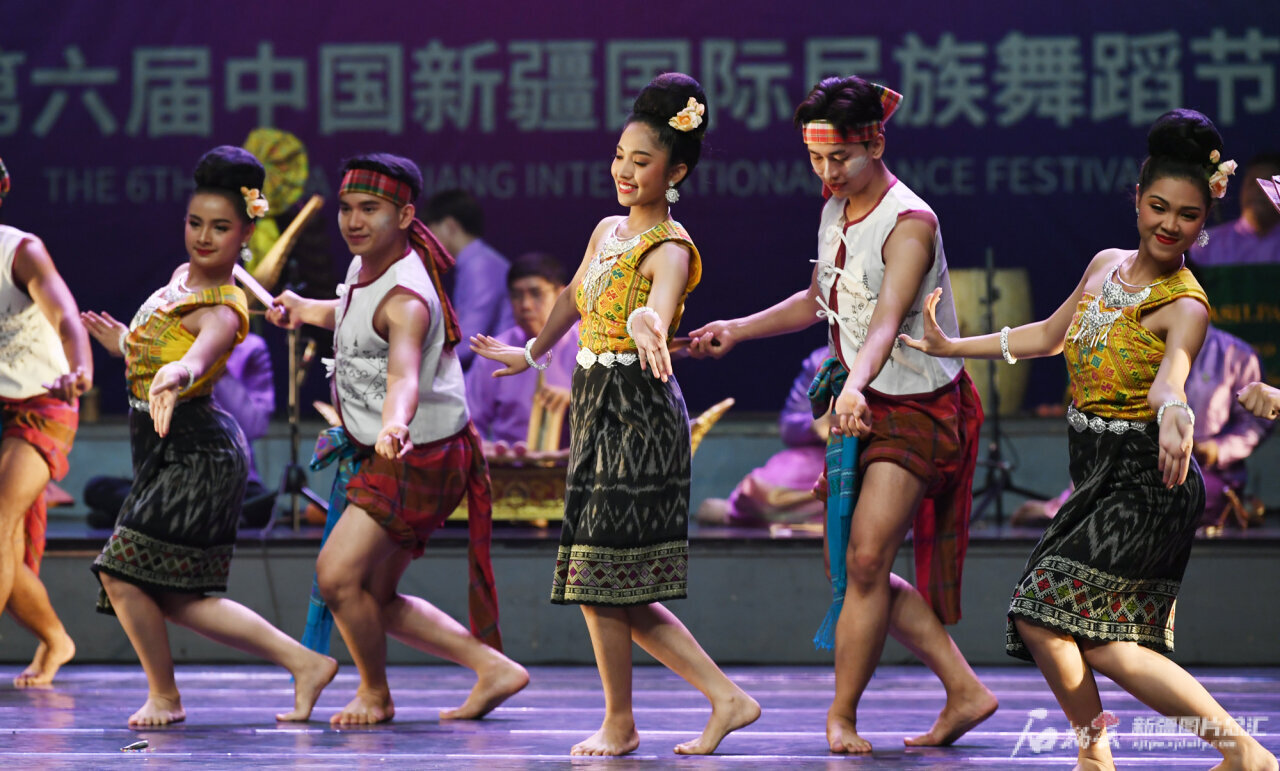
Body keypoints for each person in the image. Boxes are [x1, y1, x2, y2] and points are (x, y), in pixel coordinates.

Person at [902, 109, 1278, 771]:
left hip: (1146, 480)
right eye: (1159, 207)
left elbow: (1171, 380)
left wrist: (1175, 411)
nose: (1169, 224)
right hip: (1097, 473)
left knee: (1070, 624)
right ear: (1137, 200)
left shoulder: (1185, 304)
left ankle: (1211, 751)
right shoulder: (1105, 265)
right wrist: (951, 346)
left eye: (1187, 216)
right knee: (1051, 620)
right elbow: (1049, 336)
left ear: (1203, 224)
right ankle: (1121, 751)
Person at [688, 76, 995, 754]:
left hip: (917, 404)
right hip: (865, 398)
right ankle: (964, 690)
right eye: (817, 159)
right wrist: (737, 328)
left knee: (865, 557)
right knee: (857, 565)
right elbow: (817, 300)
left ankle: (843, 717)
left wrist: (853, 387)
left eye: (840, 158)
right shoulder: (837, 209)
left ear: (875, 144)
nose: (827, 172)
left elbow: (885, 321)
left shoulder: (910, 222)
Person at [471, 73, 760, 757]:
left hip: (639, 415)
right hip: (598, 409)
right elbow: (572, 295)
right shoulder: (606, 229)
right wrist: (532, 353)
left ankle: (668, 709)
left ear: (675, 172)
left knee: (603, 578)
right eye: (620, 157)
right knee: (596, 580)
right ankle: (669, 710)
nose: (625, 172)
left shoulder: (671, 248)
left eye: (642, 161)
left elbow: (656, 309)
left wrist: (646, 322)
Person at [266, 153, 527, 726]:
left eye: (370, 209)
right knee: (372, 595)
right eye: (347, 208)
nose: (354, 221)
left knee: (338, 577)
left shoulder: (407, 296)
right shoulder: (371, 267)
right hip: (408, 450)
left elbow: (404, 374)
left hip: (418, 453)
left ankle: (375, 694)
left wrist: (393, 422)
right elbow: (356, 316)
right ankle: (492, 669)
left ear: (406, 215)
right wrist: (304, 310)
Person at [81, 146, 337, 727]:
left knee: (121, 571)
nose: (203, 237)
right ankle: (305, 663)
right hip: (164, 445)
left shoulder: (224, 310)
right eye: (195, 222)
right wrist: (126, 345)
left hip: (199, 451)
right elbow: (160, 346)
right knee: (177, 597)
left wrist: (176, 374)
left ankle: (165, 696)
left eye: (221, 228)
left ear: (245, 233)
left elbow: (196, 358)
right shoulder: (182, 279)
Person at [1014, 323, 1273, 528]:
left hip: (1209, 473)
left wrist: (1217, 450)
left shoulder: (1235, 355)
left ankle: (1073, 513)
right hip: (1146, 467)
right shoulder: (1137, 349)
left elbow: (1255, 424)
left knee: (1179, 494)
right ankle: (1068, 509)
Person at [0, 156, 92, 686]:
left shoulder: (20, 250)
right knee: (5, 547)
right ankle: (56, 638)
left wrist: (80, 369)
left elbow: (65, 316)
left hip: (43, 403)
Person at [83, 331, 277, 529]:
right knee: (97, 488)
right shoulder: (167, 343)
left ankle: (145, 517)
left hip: (231, 481)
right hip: (174, 480)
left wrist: (218, 368)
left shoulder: (250, 348)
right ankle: (195, 518)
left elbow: (255, 426)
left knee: (262, 506)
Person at [696, 346, 828, 527]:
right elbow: (789, 426)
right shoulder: (823, 359)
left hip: (862, 459)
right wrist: (814, 424)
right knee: (766, 488)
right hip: (822, 459)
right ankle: (739, 511)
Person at [466, 252, 578, 450]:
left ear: (561, 295)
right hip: (509, 461)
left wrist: (578, 399)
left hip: (576, 462)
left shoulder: (589, 343)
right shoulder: (496, 351)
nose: (525, 305)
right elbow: (471, 423)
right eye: (517, 296)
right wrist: (485, 449)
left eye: (536, 293)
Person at [424, 189, 514, 369]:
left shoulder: (480, 266)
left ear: (450, 226)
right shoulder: (474, 263)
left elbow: (470, 341)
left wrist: (418, 359)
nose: (427, 243)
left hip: (495, 373)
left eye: (430, 233)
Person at [1190, 152, 1280, 267]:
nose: (1259, 190)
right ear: (1242, 189)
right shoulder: (1204, 246)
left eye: (1268, 183)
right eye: (1253, 183)